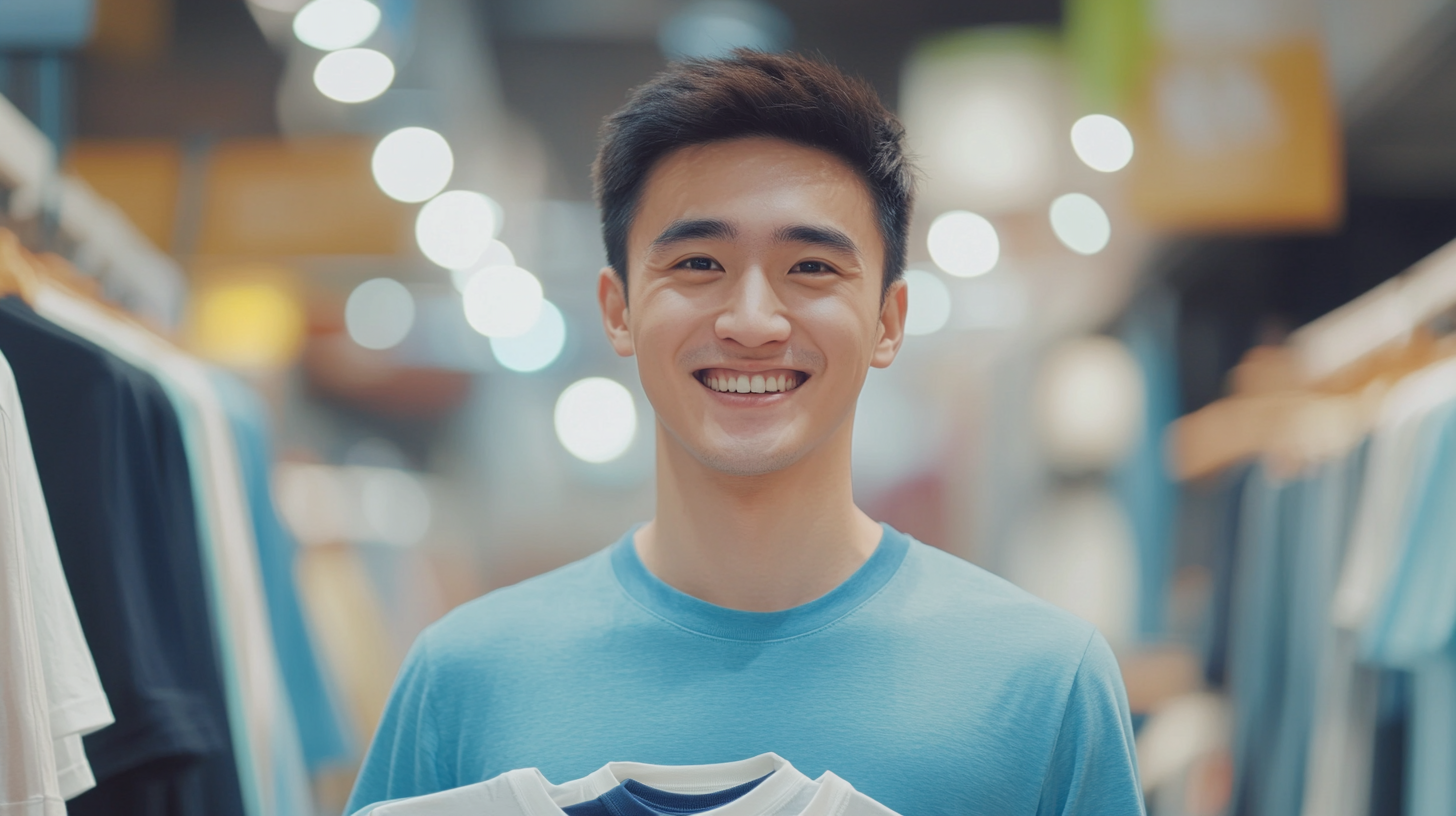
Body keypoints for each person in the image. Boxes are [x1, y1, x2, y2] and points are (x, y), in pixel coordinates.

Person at [346, 50, 1144, 816]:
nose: (753, 321)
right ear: (619, 309)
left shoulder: (1041, 684)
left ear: (888, 322)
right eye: (697, 264)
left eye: (811, 269)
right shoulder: (466, 680)